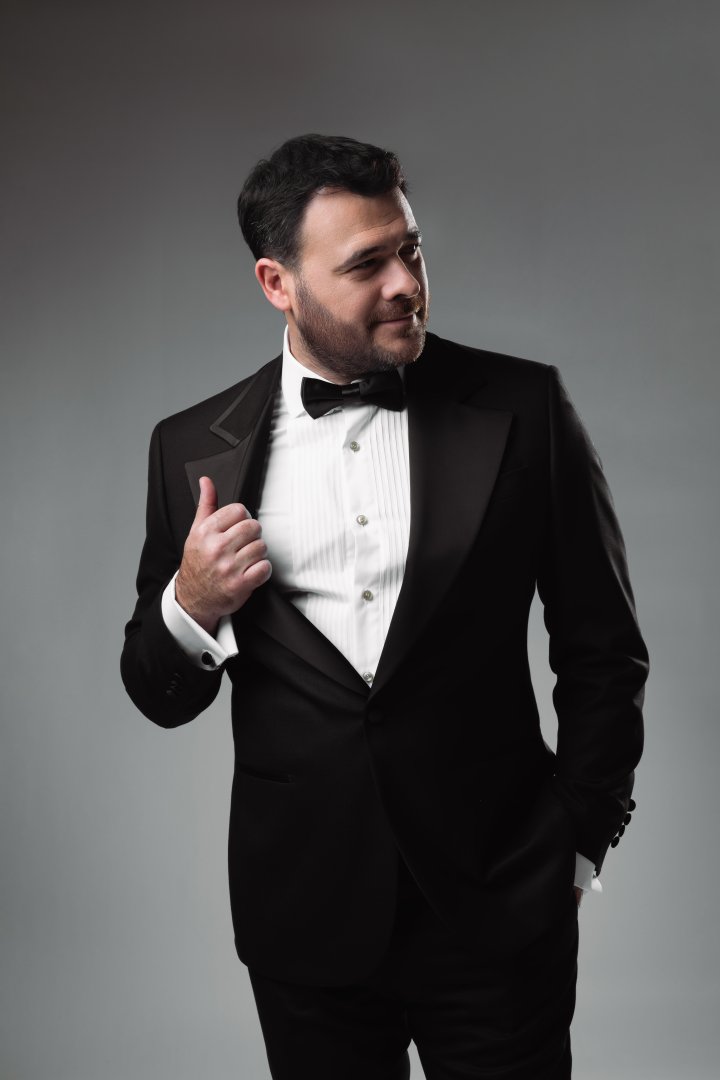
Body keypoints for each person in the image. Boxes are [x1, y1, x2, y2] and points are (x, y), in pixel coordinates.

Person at [121, 133, 648, 1079]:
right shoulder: (191, 448)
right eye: (367, 264)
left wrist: (580, 842)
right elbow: (157, 692)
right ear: (277, 283)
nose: (407, 282)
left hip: (501, 903)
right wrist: (189, 604)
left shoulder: (523, 407)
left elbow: (604, 647)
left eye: (412, 249)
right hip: (304, 917)